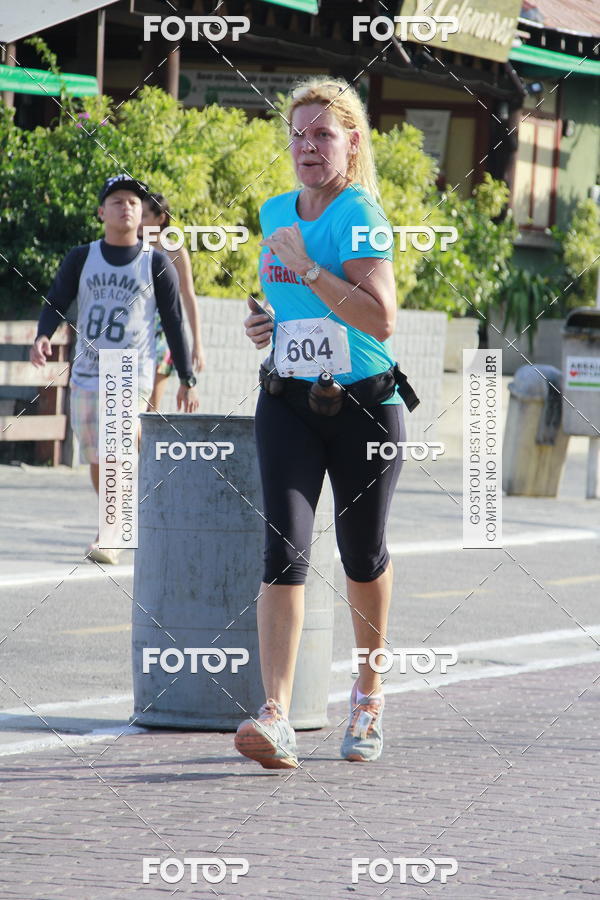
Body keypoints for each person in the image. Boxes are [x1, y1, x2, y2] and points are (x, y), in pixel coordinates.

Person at [235, 77, 417, 769]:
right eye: (298, 134)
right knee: (284, 549)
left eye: (322, 134)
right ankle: (276, 713)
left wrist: (308, 267)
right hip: (287, 399)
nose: (308, 147)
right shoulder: (275, 209)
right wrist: (264, 323)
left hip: (365, 404)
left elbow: (381, 317)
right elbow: (287, 307)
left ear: (352, 141)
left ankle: (368, 695)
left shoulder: (361, 212)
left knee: (362, 552)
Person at [29, 174, 200, 564]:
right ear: (102, 211)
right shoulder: (81, 257)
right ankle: (117, 518)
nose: (127, 207)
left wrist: (187, 378)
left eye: (134, 203)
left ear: (143, 216)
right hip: (88, 368)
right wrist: (42, 335)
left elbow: (174, 322)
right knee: (97, 455)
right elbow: (56, 300)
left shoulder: (155, 262)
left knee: (118, 444)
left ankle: (111, 535)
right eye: (118, 201)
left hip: (130, 367)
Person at [139, 192, 205, 411]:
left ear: (161, 218)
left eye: (144, 215)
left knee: (149, 408)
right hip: (133, 333)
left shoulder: (174, 251)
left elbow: (188, 296)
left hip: (162, 335)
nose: (137, 220)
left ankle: (142, 446)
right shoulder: (131, 250)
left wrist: (197, 343)